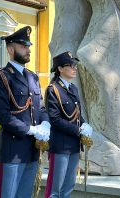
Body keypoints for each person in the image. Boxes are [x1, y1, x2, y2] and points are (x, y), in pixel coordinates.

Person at [0, 26, 51, 198]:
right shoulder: (1, 77)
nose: (28, 50)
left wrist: (45, 122)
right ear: (10, 49)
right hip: (12, 150)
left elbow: (41, 107)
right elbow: (2, 116)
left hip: (32, 150)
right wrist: (30, 129)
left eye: (28, 46)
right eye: (23, 46)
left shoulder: (33, 77)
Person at [44, 51, 93, 198]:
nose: (74, 68)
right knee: (55, 188)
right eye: (70, 65)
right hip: (60, 145)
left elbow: (77, 114)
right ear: (60, 69)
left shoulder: (73, 88)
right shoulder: (53, 89)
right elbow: (55, 119)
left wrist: (85, 125)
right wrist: (78, 130)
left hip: (73, 144)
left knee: (68, 186)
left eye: (75, 65)